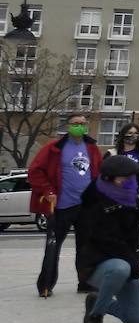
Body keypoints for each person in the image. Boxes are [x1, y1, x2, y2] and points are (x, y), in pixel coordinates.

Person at [76, 154, 139, 323]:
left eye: (132, 177)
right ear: (109, 179)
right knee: (120, 267)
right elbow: (112, 244)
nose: (130, 182)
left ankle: (97, 303)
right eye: (124, 178)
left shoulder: (128, 197)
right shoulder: (95, 203)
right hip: (98, 265)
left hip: (126, 263)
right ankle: (95, 317)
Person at [29, 113, 102, 297]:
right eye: (75, 123)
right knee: (53, 247)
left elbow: (100, 174)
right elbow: (35, 171)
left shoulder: (92, 148)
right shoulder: (54, 148)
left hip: (86, 207)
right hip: (61, 206)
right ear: (68, 126)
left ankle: (86, 283)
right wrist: (47, 191)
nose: (79, 126)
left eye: (82, 123)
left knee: (86, 247)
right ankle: (46, 285)